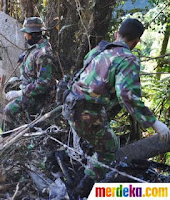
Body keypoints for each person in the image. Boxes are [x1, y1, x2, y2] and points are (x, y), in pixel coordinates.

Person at [62, 18, 170, 196]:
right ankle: (83, 190)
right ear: (136, 41)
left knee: (99, 141)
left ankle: (83, 172)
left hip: (70, 104)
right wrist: (155, 123)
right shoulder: (127, 58)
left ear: (116, 34)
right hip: (87, 111)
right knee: (109, 149)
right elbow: (127, 95)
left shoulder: (98, 50)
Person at [1, 17, 55, 133]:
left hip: (38, 97)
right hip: (29, 88)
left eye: (27, 34)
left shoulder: (43, 54)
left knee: (8, 111)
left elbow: (43, 84)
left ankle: (4, 138)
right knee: (10, 85)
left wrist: (21, 92)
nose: (25, 36)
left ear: (34, 35)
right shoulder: (36, 48)